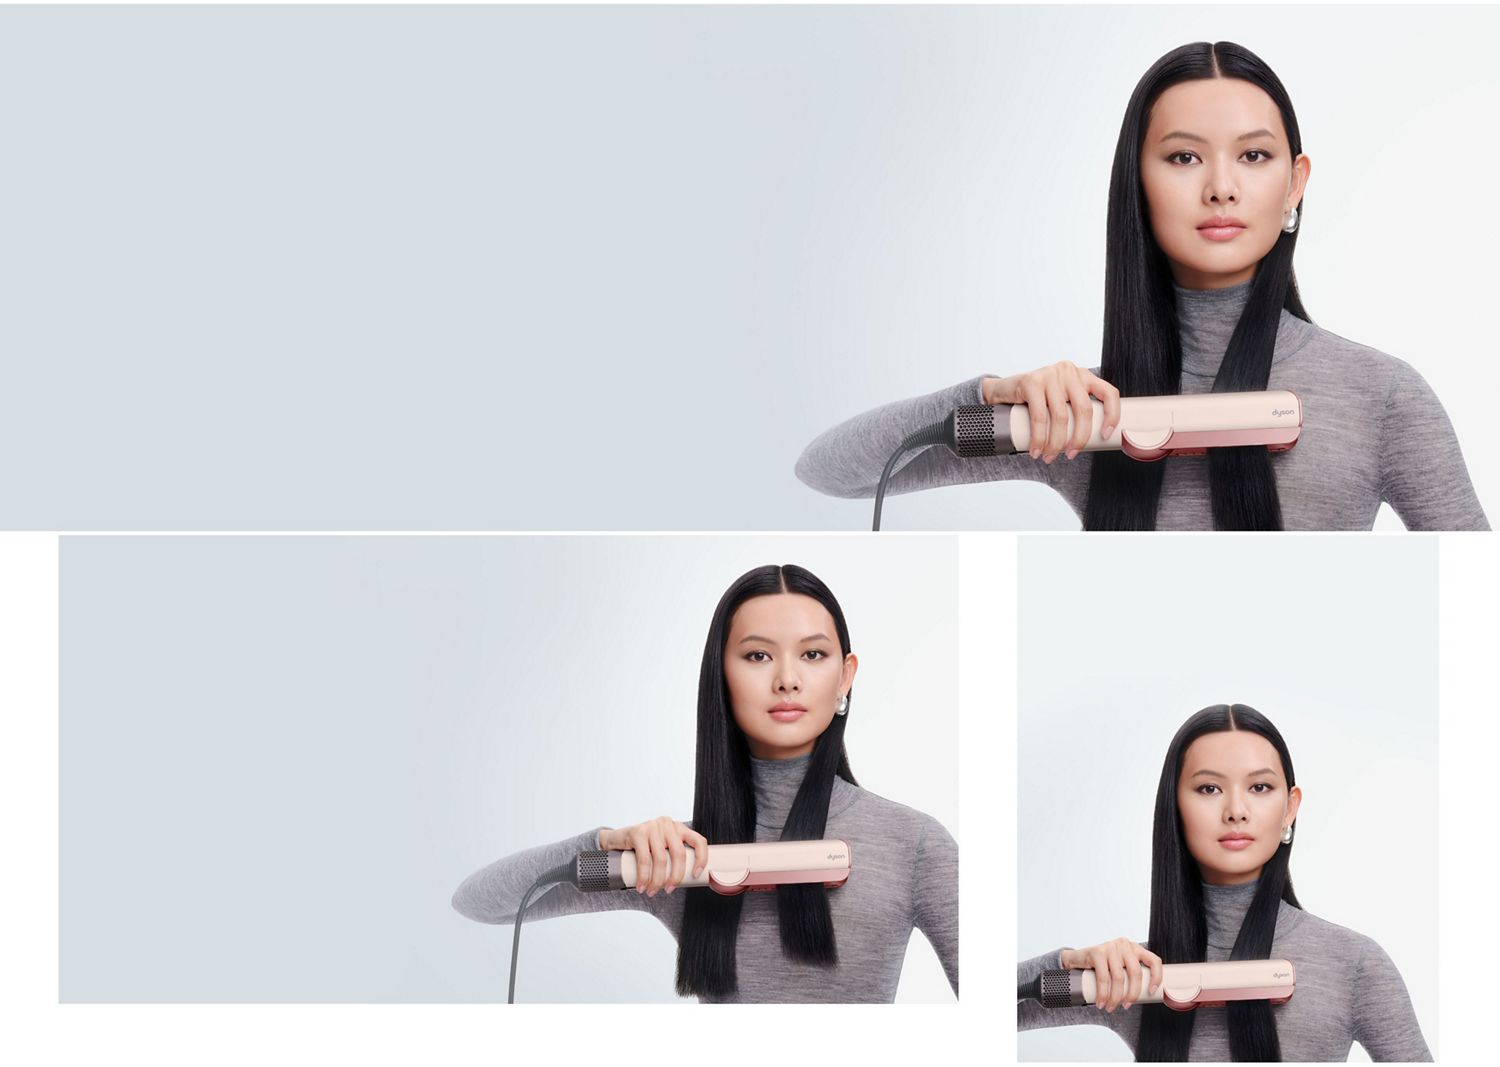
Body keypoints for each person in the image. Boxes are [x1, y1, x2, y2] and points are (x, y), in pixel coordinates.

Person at [795, 41, 1487, 531]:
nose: (1221, 187)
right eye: (1184, 156)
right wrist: (984, 398)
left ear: (1295, 185)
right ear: (1138, 184)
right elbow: (828, 470)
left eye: (1253, 155)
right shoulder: (1081, 419)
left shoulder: (1382, 397)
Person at [452, 564, 959, 1002]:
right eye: (758, 656)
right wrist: (604, 844)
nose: (787, 679)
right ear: (721, 675)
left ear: (845, 676)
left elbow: (996, 1009)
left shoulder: (912, 845)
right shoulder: (681, 861)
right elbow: (481, 902)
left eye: (812, 655)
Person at [1018, 704, 1430, 1061]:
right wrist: (1067, 964)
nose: (1236, 810)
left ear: (1290, 808)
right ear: (1174, 808)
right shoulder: (1129, 982)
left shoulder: (1353, 964)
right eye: (1209, 788)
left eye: (1260, 787)